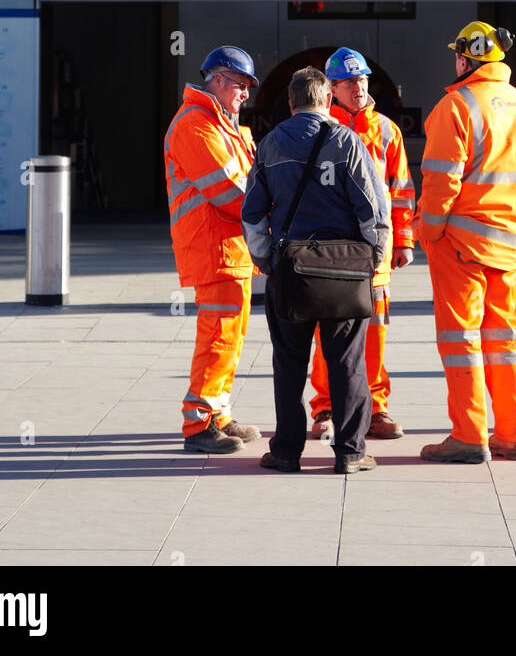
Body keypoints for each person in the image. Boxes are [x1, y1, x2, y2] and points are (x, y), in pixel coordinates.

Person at [241, 66, 390, 475]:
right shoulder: (348, 141)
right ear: (327, 101)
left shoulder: (270, 144)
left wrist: (266, 260)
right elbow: (374, 211)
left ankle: (287, 451)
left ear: (291, 103)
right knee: (347, 363)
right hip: (344, 273)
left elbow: (252, 212)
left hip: (290, 270)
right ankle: (351, 452)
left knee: (289, 362)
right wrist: (370, 262)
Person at [415, 21, 516, 464]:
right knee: (503, 340)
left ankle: (469, 436)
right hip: (510, 245)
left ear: (468, 58)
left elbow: (439, 182)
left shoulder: (455, 107)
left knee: (460, 340)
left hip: (461, 245)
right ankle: (511, 435)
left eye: (458, 54)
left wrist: (426, 232)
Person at [309, 48, 415, 443]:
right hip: (332, 250)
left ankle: (374, 407)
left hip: (375, 253)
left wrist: (404, 239)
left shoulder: (386, 130)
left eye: (363, 79)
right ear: (332, 88)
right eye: (350, 82)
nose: (359, 87)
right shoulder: (317, 127)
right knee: (326, 330)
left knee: (375, 333)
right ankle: (325, 407)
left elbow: (401, 191)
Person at [164, 45, 261, 455]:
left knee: (230, 338)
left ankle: (217, 414)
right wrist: (274, 215)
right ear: (218, 80)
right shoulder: (196, 124)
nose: (245, 94)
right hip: (212, 247)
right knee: (218, 337)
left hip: (230, 248)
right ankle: (199, 424)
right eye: (240, 85)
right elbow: (228, 192)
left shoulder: (223, 124)